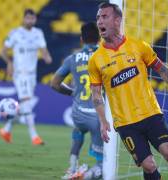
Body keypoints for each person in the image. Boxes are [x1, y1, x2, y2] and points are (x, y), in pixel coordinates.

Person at [88, 2, 168, 180]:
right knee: (149, 165)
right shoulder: (96, 60)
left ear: (117, 21)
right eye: (98, 17)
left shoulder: (139, 46)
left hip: (151, 113)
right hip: (126, 123)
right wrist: (102, 120)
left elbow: (163, 70)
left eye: (104, 16)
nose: (99, 21)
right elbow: (96, 94)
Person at [51, 22, 103, 180]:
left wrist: (72, 92)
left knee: (78, 131)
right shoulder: (105, 56)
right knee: (104, 165)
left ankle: (72, 168)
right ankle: (84, 176)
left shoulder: (72, 58)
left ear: (81, 39)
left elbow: (54, 84)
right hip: (98, 117)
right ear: (100, 38)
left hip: (78, 113)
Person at [0, 9, 52, 145]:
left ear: (35, 20)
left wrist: (46, 56)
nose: (30, 21)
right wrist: (9, 63)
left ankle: (6, 130)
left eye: (32, 18)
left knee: (23, 106)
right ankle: (34, 136)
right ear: (23, 19)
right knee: (27, 103)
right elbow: (3, 51)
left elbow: (43, 49)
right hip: (20, 74)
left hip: (32, 75)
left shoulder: (38, 33)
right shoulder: (15, 33)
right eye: (28, 18)